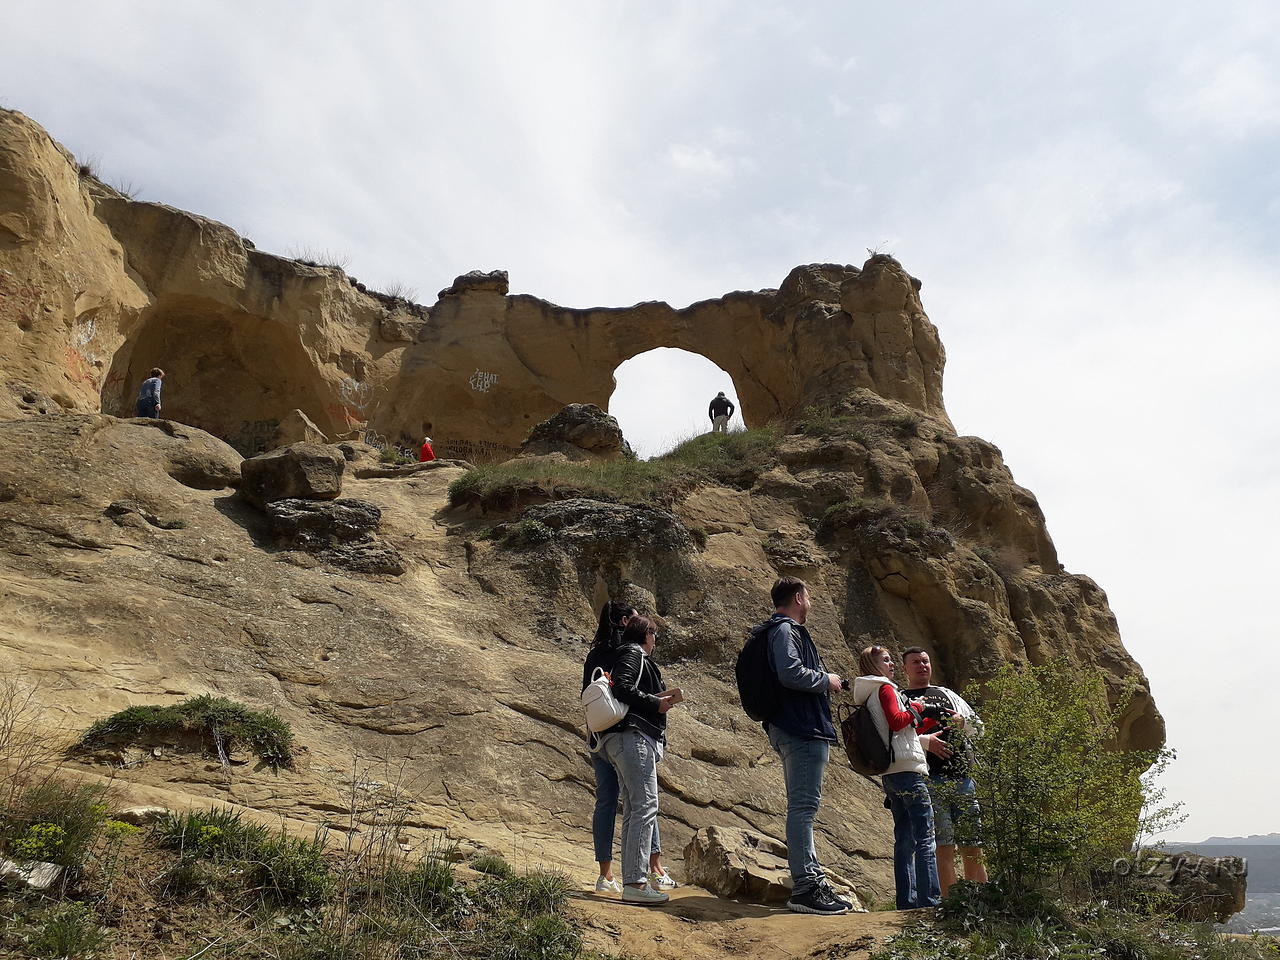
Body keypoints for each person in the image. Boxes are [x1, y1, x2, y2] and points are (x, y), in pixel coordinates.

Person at [751, 576, 852, 915]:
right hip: (800, 727)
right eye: (808, 596)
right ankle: (806, 888)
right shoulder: (785, 631)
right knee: (803, 809)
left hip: (791, 725)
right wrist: (828, 680)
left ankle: (810, 882)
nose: (810, 603)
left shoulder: (777, 631)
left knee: (802, 807)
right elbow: (790, 673)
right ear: (798, 597)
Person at [581, 603, 678, 895]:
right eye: (652, 632)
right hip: (628, 735)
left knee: (617, 804)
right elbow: (624, 687)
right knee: (642, 806)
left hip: (600, 736)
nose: (655, 638)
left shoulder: (597, 655)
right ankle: (641, 878)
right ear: (628, 623)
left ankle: (608, 876)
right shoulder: (631, 653)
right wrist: (655, 702)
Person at [852, 645, 942, 910]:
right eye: (887, 660)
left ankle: (907, 901)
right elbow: (896, 720)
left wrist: (922, 719)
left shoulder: (868, 693)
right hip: (908, 771)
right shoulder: (885, 688)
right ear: (874, 665)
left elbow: (901, 730)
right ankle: (930, 901)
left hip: (890, 773)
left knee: (904, 839)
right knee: (925, 836)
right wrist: (916, 706)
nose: (891, 664)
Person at [901, 646, 988, 897]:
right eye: (915, 662)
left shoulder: (947, 694)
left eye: (925, 661)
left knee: (973, 842)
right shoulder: (901, 697)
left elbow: (979, 729)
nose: (922, 666)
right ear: (906, 668)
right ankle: (951, 902)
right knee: (944, 843)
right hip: (930, 779)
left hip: (962, 777)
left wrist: (964, 723)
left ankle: (982, 899)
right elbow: (896, 738)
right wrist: (926, 742)